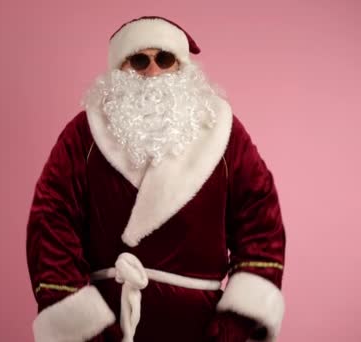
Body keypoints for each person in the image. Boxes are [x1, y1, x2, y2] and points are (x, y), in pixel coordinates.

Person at [26, 16, 286, 342]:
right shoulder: (83, 134)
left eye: (164, 59)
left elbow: (261, 224)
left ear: (183, 67)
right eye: (139, 60)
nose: (152, 72)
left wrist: (236, 324)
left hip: (201, 328)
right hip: (111, 322)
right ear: (119, 70)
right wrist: (83, 327)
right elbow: (52, 224)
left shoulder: (223, 132)